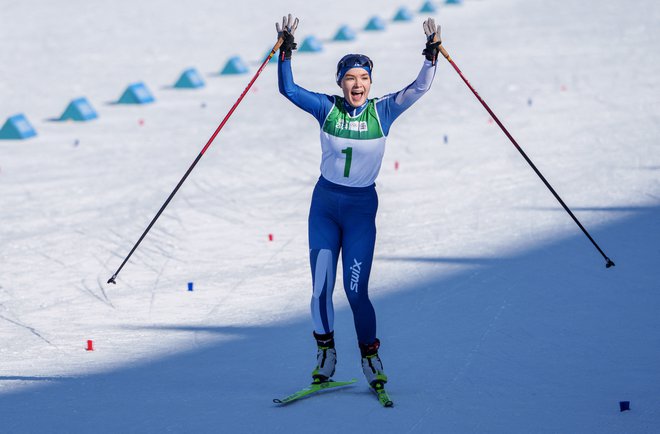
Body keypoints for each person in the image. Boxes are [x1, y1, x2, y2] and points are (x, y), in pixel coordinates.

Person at [276, 14, 441, 392]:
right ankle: (326, 353)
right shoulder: (327, 109)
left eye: (364, 78)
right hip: (325, 206)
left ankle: (370, 356)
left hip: (360, 211)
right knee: (320, 287)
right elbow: (288, 90)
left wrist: (431, 56)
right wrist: (285, 52)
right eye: (351, 78)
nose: (358, 84)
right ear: (340, 82)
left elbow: (419, 88)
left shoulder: (382, 112)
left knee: (355, 291)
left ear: (370, 83)